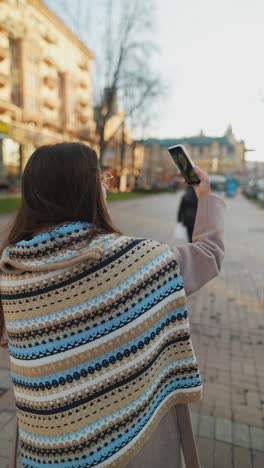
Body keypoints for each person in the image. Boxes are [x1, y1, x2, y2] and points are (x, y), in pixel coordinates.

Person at [0, 143, 225, 468]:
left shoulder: (13, 272)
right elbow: (208, 254)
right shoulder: (136, 261)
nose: (106, 186)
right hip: (135, 446)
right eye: (102, 180)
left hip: (50, 452)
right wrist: (204, 196)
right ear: (90, 191)